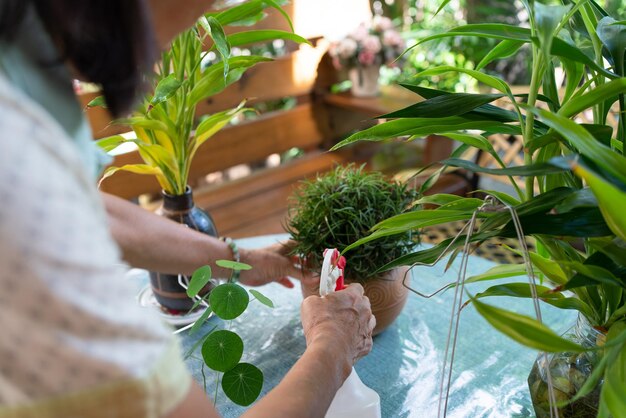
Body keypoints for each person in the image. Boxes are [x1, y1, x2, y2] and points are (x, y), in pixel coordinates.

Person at [0, 1, 375, 417]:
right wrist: (332, 345)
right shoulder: (15, 159)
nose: (202, 19)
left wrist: (240, 259)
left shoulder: (23, 62)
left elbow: (87, 211)